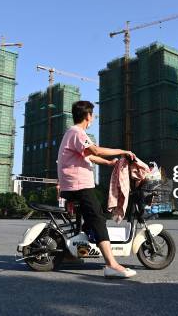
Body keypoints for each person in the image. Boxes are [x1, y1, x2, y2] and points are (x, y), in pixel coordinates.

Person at [57, 100, 137, 279]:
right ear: (88, 116)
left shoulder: (74, 133)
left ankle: (70, 254)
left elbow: (89, 156)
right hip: (78, 185)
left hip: (74, 184)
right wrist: (122, 151)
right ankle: (112, 264)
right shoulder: (77, 132)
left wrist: (109, 163)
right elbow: (95, 150)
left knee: (90, 218)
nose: (92, 117)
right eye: (92, 114)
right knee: (98, 219)